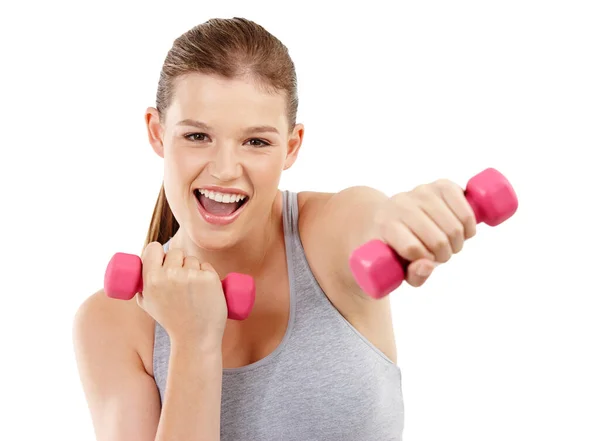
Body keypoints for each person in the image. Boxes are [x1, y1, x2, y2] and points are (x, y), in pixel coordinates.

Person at [72, 17, 477, 441]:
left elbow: (370, 216)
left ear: (292, 145)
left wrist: (407, 219)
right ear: (157, 133)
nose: (225, 170)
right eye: (196, 136)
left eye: (256, 142)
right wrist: (193, 343)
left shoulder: (323, 236)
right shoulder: (111, 321)